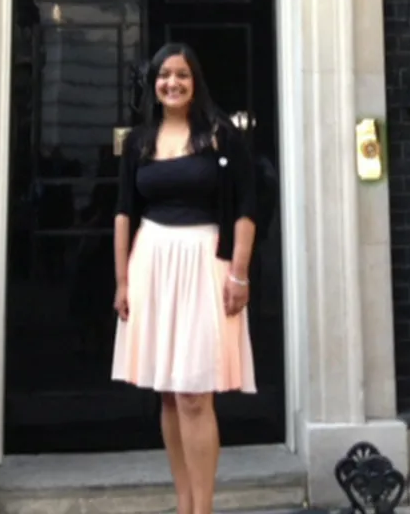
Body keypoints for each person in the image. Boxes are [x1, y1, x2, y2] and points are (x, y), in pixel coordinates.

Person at [111, 42, 258, 514]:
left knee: (196, 394)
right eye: (163, 75)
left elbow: (247, 207)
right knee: (170, 396)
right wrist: (121, 281)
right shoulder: (139, 141)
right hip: (151, 261)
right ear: (153, 83)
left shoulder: (221, 136)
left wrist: (239, 273)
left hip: (204, 263)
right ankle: (183, 505)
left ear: (196, 82)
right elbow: (122, 214)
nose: (172, 83)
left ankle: (204, 508)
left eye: (182, 75)